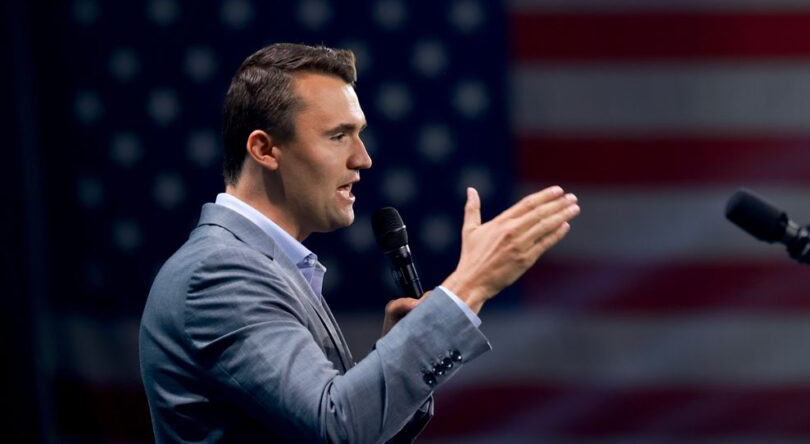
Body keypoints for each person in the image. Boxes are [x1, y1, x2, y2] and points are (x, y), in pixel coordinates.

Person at [139, 43, 580, 443]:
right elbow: (339, 428)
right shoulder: (218, 274)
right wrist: (470, 286)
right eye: (338, 136)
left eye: (360, 133)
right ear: (264, 149)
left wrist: (397, 347)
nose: (362, 158)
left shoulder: (264, 265)